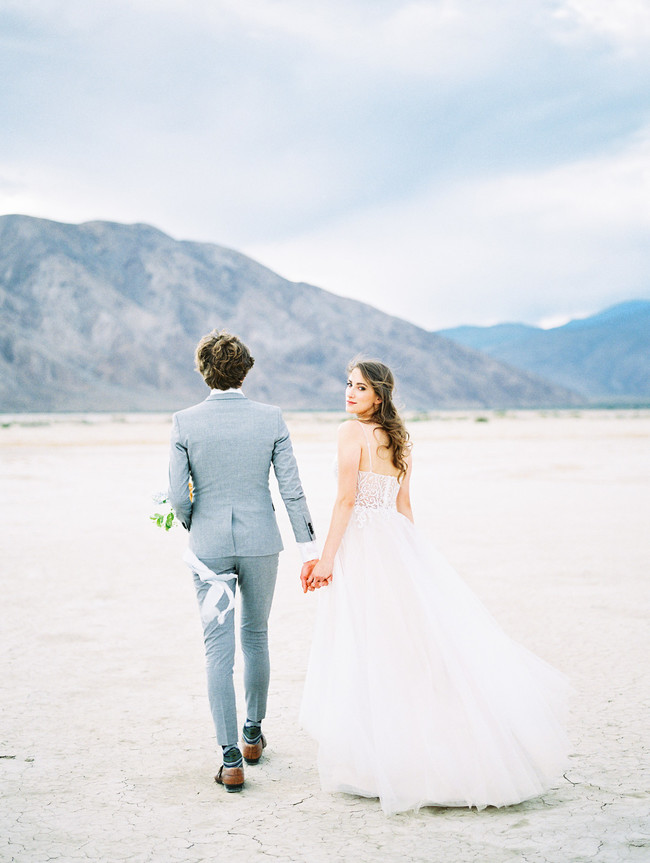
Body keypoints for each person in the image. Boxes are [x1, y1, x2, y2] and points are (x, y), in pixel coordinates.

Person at [300, 361, 570, 815]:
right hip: (395, 546)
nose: (349, 393)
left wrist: (326, 559)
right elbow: (404, 508)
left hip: (364, 549)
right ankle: (409, 754)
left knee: (371, 647)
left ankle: (381, 761)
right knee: (406, 649)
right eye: (348, 384)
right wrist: (414, 562)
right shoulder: (400, 440)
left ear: (378, 397)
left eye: (360, 387)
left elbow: (346, 499)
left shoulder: (352, 432)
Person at [168, 329, 318, 792]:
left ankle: (230, 759)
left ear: (203, 370)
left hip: (209, 547)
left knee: (218, 649)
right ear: (246, 369)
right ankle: (253, 735)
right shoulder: (270, 418)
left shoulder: (184, 421)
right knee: (256, 635)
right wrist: (308, 549)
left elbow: (177, 496)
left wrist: (196, 523)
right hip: (260, 542)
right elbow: (291, 489)